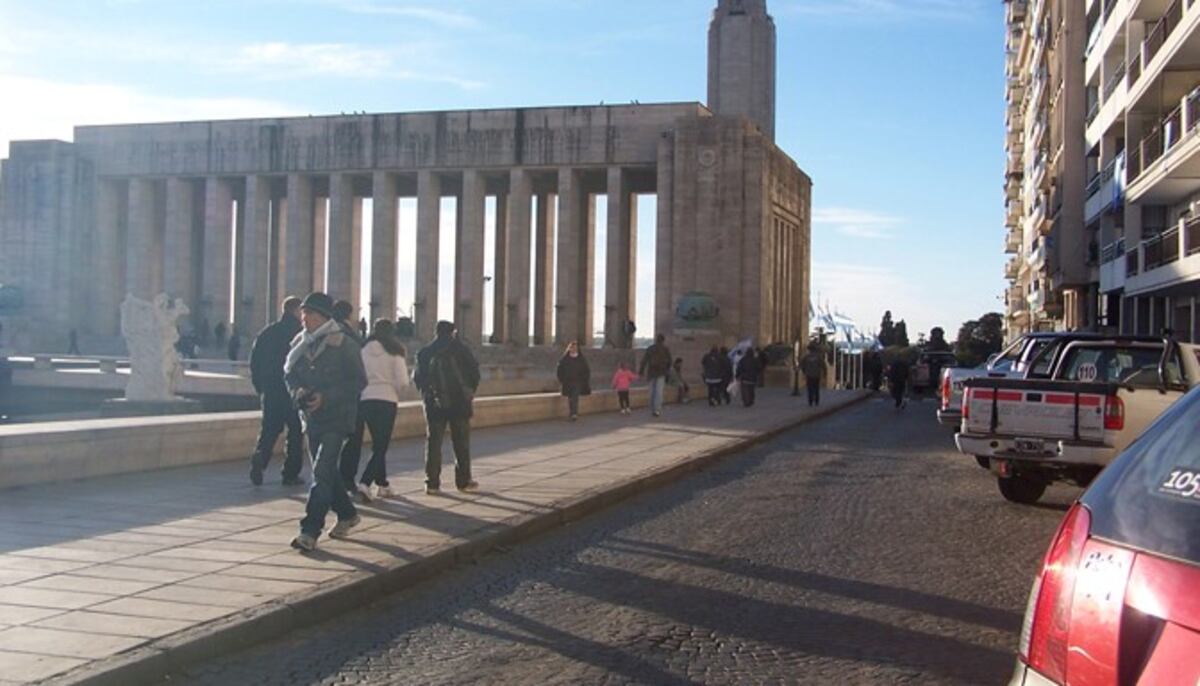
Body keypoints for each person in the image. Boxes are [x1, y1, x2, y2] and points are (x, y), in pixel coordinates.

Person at [284, 292, 367, 552]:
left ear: (322, 317)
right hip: (312, 418)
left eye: (308, 314)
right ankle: (348, 514)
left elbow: (358, 381)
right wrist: (297, 391)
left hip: (337, 418)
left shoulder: (344, 343)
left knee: (320, 472)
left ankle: (309, 531)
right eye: (303, 313)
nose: (303, 318)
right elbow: (289, 374)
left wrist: (325, 397)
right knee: (327, 472)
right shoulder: (299, 343)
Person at [340, 319, 409, 502]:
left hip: (365, 399)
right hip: (386, 400)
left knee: (378, 444)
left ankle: (383, 484)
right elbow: (402, 381)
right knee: (381, 445)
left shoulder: (361, 350)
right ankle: (365, 483)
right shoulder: (396, 352)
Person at [412, 320, 481, 495]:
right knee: (461, 443)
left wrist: (428, 394)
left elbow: (418, 378)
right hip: (459, 403)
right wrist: (469, 391)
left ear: (436, 332)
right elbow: (474, 373)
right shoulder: (461, 350)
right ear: (452, 332)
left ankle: (432, 483)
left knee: (434, 442)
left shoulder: (425, 352)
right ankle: (464, 481)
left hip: (435, 404)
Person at [248, 297, 305, 487]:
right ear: (296, 311)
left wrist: (260, 387)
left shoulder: (267, 332)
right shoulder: (300, 334)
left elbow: (254, 362)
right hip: (292, 389)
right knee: (295, 432)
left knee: (269, 429)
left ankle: (260, 458)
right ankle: (290, 474)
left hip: (271, 389)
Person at [555, 341, 591, 421]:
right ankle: (572, 412)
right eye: (572, 347)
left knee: (575, 397)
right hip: (567, 382)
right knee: (570, 398)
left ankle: (574, 413)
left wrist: (584, 379)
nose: (574, 349)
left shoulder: (581, 359)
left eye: (575, 347)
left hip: (578, 382)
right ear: (569, 348)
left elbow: (586, 370)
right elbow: (559, 369)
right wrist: (561, 379)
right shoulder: (565, 359)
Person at [638, 334, 672, 417]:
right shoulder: (665, 349)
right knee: (659, 392)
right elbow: (670, 361)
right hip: (661, 372)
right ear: (663, 340)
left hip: (651, 372)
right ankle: (657, 409)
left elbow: (644, 360)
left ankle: (653, 407)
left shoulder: (650, 348)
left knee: (652, 391)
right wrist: (667, 371)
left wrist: (641, 371)